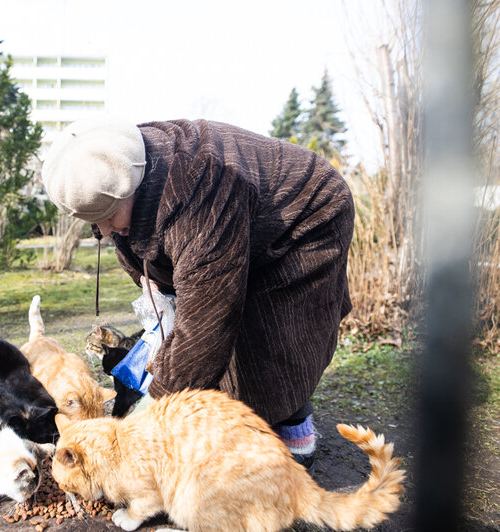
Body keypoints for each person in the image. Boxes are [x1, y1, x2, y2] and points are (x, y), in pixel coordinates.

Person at [41, 116, 354, 470]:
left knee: (272, 342)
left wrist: (152, 413)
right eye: (94, 222)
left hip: (303, 219)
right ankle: (237, 420)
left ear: (129, 187)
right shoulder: (123, 173)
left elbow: (208, 322)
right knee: (208, 354)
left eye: (109, 214)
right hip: (232, 229)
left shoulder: (199, 188)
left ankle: (294, 439)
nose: (105, 229)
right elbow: (156, 252)